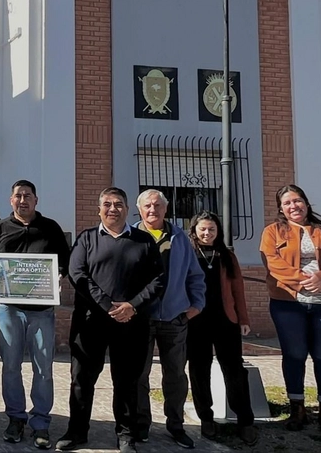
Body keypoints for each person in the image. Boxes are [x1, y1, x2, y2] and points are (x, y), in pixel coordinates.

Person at [56, 187, 165, 453]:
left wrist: (132, 306)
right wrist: (107, 306)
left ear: (128, 209)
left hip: (131, 322)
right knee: (81, 379)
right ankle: (77, 432)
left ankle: (126, 435)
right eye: (107, 204)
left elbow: (159, 279)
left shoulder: (144, 240)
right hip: (90, 321)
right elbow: (77, 274)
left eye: (118, 204)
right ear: (99, 209)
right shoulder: (87, 238)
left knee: (126, 381)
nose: (113, 208)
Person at [0, 180, 70, 449]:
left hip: (42, 311)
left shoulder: (50, 228)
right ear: (11, 201)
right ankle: (16, 418)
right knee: (10, 366)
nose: (22, 200)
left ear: (36, 200)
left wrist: (59, 277)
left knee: (43, 369)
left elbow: (64, 262)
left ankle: (41, 423)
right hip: (9, 310)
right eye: (18, 196)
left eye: (27, 196)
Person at [260, 185, 321, 437]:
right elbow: (272, 262)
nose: (293, 206)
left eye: (298, 201)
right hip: (289, 303)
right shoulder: (272, 232)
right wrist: (303, 279)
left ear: (307, 203)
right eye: (287, 203)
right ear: (280, 208)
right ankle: (297, 408)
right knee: (294, 355)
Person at [134, 190, 205, 449]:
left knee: (175, 375)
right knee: (139, 374)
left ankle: (175, 425)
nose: (152, 210)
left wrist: (197, 304)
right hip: (140, 319)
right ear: (139, 209)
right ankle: (141, 425)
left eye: (157, 205)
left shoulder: (180, 238)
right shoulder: (131, 236)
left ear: (166, 209)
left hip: (174, 318)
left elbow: (195, 274)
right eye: (147, 206)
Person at [184, 211, 258, 445]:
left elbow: (238, 289)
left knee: (234, 369)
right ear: (194, 230)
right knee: (198, 369)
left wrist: (243, 319)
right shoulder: (187, 254)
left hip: (225, 320)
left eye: (212, 229)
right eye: (203, 229)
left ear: (219, 232)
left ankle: (245, 420)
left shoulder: (227, 255)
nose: (207, 233)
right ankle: (206, 417)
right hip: (196, 321)